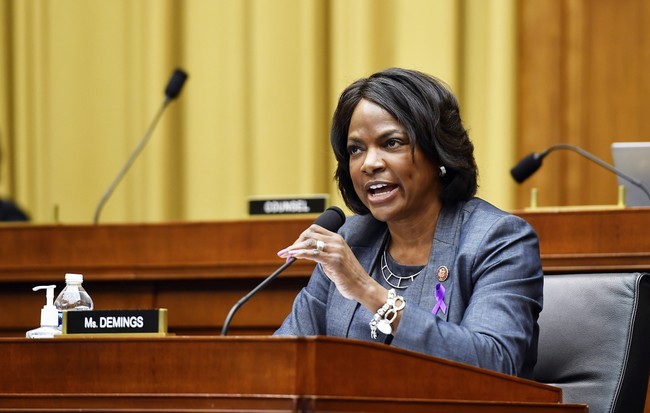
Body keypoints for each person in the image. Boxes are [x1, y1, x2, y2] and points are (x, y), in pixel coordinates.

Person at [275, 68, 543, 379]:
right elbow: (285, 357)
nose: (370, 164)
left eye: (391, 143)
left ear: (438, 152)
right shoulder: (350, 239)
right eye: (356, 149)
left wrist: (367, 291)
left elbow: (494, 363)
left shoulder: (497, 239)